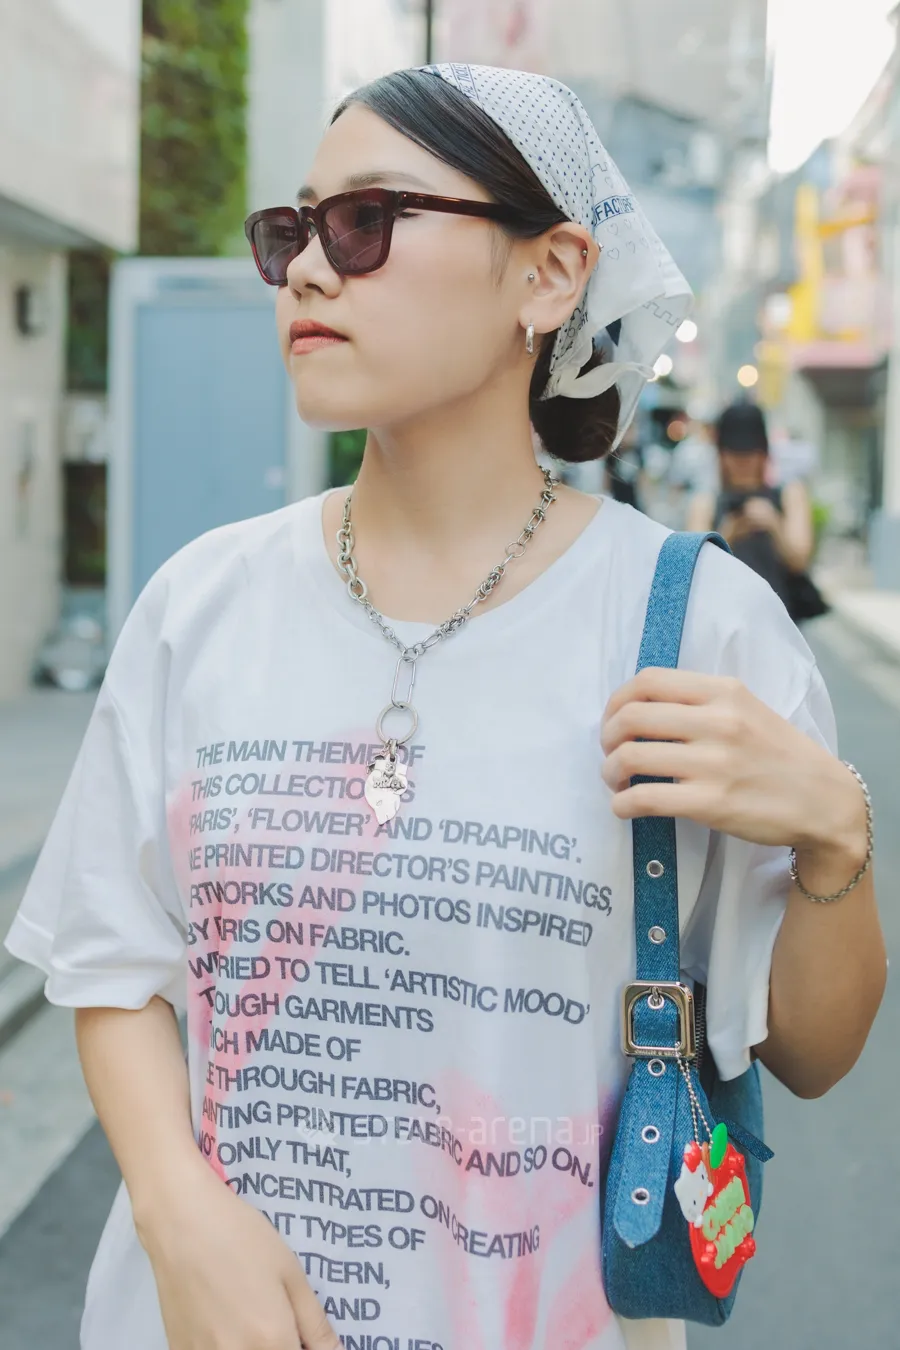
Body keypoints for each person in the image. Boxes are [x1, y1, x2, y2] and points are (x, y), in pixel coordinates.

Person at [3, 64, 884, 1350]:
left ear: (551, 273)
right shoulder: (203, 604)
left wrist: (835, 838)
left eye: (366, 222)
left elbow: (811, 1052)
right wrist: (175, 1210)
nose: (309, 272)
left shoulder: (697, 624)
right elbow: (113, 958)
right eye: (292, 232)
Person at [687, 402, 815, 616]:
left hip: (779, 618)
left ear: (764, 455)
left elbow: (800, 561)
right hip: (723, 617)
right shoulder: (705, 502)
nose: (743, 463)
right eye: (735, 455)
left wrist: (774, 524)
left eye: (750, 455)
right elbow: (694, 568)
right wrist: (728, 535)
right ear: (722, 456)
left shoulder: (789, 494)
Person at [604, 416, 646, 511]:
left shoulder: (637, 452)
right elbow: (607, 476)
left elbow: (642, 476)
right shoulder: (614, 453)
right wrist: (607, 493)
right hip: (617, 498)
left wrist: (644, 497)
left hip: (633, 499)